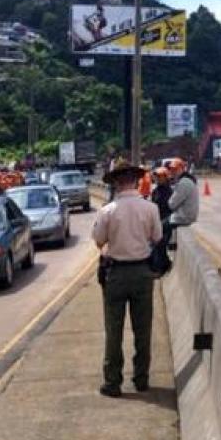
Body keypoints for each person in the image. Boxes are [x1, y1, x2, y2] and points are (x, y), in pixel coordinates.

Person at [92, 159, 163, 398]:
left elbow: (99, 241)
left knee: (114, 331)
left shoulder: (107, 211)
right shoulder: (150, 209)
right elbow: (157, 237)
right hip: (143, 272)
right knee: (143, 329)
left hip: (116, 274)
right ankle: (141, 378)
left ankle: (113, 382)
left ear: (116, 184)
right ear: (135, 181)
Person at [162, 159, 199, 247]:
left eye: (175, 169)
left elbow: (171, 204)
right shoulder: (186, 180)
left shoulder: (183, 183)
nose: (173, 172)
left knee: (159, 227)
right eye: (171, 169)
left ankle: (161, 256)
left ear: (182, 169)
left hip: (183, 217)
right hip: (187, 215)